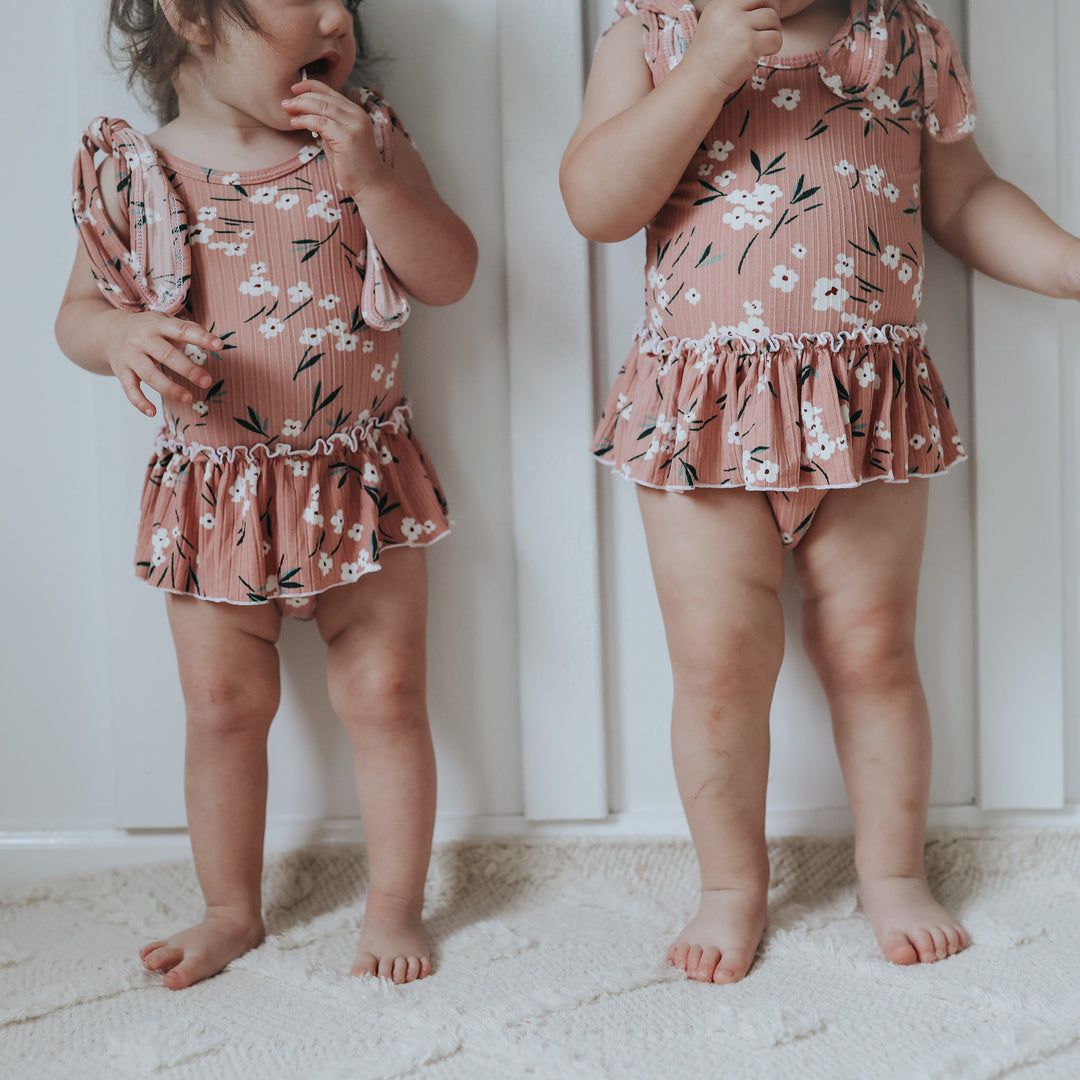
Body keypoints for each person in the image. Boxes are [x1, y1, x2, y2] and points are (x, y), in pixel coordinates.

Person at [561, 0, 1080, 984]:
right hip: (703, 408)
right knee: (719, 664)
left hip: (865, 401)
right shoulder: (652, 35)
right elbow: (597, 203)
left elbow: (962, 195)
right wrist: (706, 71)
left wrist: (1063, 262)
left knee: (877, 647)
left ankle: (892, 870)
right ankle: (729, 885)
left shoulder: (907, 36)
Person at [55, 0, 477, 989]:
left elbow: (449, 273)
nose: (339, 17)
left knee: (386, 693)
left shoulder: (363, 140)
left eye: (349, 0)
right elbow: (76, 314)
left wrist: (375, 177)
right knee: (221, 707)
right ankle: (229, 908)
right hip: (214, 495)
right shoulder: (135, 170)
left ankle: (393, 904)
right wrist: (118, 338)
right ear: (192, 17)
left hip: (357, 477)